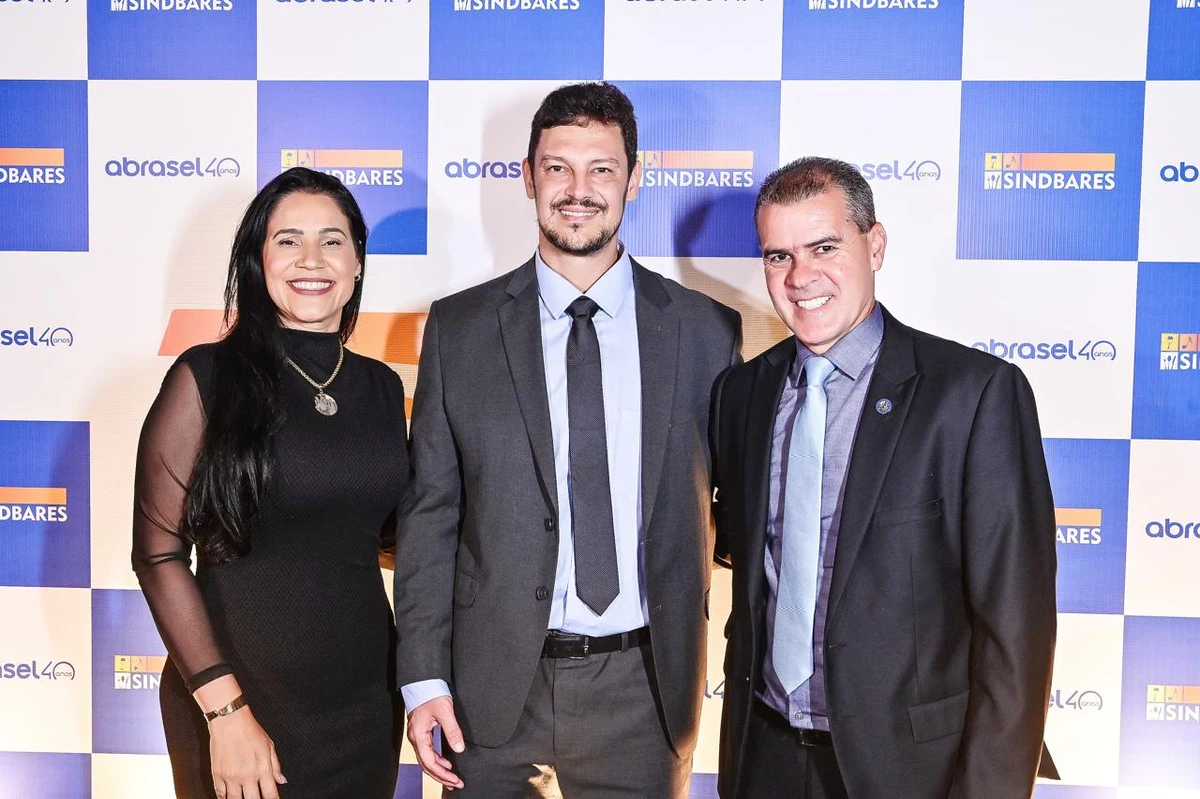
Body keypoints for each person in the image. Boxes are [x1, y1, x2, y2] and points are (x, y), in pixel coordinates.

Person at [394, 81, 742, 797]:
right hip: (486, 685)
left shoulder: (705, 332)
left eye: (602, 169)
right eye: (557, 167)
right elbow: (431, 513)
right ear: (527, 177)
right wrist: (422, 675)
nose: (578, 190)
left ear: (634, 179)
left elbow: (736, 503)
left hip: (644, 687)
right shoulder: (459, 329)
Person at [710, 156, 1058, 798]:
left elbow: (1016, 626)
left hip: (910, 769)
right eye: (777, 256)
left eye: (823, 247)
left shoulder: (974, 395)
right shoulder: (742, 394)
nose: (800, 277)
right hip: (764, 754)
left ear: (874, 245)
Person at [132, 167, 407, 799]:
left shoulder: (382, 387)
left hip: (366, 698)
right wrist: (225, 711)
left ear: (358, 261)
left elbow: (380, 531)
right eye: (288, 240)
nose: (312, 260)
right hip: (239, 697)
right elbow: (157, 552)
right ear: (258, 259)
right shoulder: (206, 377)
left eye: (332, 240)